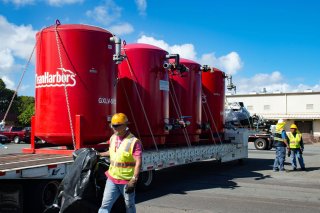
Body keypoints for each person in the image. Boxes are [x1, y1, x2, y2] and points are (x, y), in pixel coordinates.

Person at [98, 113, 142, 213]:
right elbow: (112, 152)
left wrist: (134, 180)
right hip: (112, 178)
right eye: (112, 125)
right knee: (105, 205)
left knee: (129, 206)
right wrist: (99, 154)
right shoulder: (113, 138)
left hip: (126, 180)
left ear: (125, 125)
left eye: (117, 126)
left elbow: (138, 162)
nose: (114, 128)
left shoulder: (133, 141)